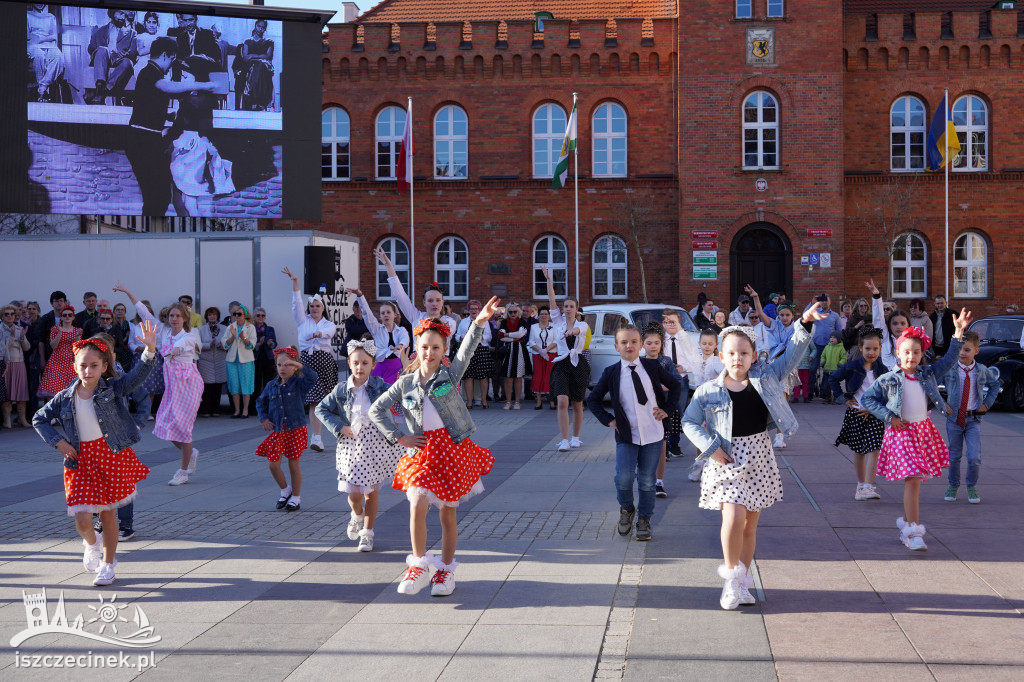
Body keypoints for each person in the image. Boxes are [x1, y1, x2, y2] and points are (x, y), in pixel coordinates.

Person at [683, 304, 828, 610]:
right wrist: (710, 448)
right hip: (726, 458)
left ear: (754, 356)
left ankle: (743, 580)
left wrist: (804, 323)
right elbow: (689, 422)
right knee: (733, 516)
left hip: (759, 455)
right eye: (731, 353)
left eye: (744, 353)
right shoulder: (708, 390)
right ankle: (731, 580)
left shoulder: (766, 377)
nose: (738, 359)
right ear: (722, 356)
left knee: (749, 525)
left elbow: (792, 355)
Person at [369, 300, 501, 597]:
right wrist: (399, 437)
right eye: (425, 347)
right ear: (417, 348)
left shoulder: (449, 375)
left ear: (443, 352)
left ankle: (445, 569)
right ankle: (418, 565)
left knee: (447, 514)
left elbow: (467, 350)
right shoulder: (405, 383)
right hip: (422, 452)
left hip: (452, 450)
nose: (429, 353)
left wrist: (479, 322)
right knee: (416, 502)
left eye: (436, 348)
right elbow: (377, 410)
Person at [32, 323, 157, 585]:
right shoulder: (65, 396)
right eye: (83, 366)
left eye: (94, 366)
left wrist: (149, 350)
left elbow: (135, 378)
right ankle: (92, 543)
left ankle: (108, 564)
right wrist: (60, 444)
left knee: (108, 513)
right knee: (82, 517)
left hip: (108, 456)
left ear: (103, 366)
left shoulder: (111, 389)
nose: (88, 371)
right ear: (75, 367)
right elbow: (39, 419)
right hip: (78, 460)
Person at [861, 311, 970, 551]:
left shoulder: (927, 373)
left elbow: (950, 359)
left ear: (922, 355)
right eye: (907, 352)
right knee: (912, 479)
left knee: (915, 481)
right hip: (901, 433)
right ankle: (912, 530)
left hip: (922, 432)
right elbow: (868, 400)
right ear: (898, 354)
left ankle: (908, 528)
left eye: (917, 352)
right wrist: (889, 417)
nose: (912, 356)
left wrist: (959, 334)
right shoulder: (889, 379)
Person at [588, 323, 682, 541]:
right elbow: (593, 399)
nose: (628, 345)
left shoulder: (652, 367)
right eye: (623, 342)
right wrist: (609, 420)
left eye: (633, 341)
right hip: (626, 435)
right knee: (623, 477)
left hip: (653, 432)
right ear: (616, 346)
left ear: (640, 345)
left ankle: (644, 520)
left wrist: (667, 410)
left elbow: (676, 385)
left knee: (647, 480)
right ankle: (627, 509)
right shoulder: (611, 373)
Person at [317, 337, 405, 551]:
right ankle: (357, 515)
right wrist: (339, 426)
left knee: (370, 492)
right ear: (349, 363)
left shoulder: (380, 386)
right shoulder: (340, 390)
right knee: (354, 494)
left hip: (375, 445)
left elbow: (398, 402)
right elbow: (321, 409)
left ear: (373, 365)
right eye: (355, 363)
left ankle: (367, 532)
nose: (360, 367)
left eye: (365, 363)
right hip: (351, 445)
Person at [115, 282, 202, 485]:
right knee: (166, 426)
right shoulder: (162, 331)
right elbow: (144, 313)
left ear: (185, 318)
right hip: (172, 386)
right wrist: (128, 291)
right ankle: (191, 453)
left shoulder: (189, 336)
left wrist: (170, 350)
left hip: (188, 385)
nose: (174, 319)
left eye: (178, 316)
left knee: (183, 428)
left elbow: (181, 346)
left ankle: (183, 471)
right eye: (171, 316)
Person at [126, 36, 216, 216]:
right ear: (166, 55)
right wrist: (204, 85)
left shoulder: (150, 73)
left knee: (158, 197)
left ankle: (149, 230)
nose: (171, 66)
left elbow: (148, 102)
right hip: (142, 141)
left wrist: (166, 115)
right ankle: (149, 233)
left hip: (146, 140)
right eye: (172, 60)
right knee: (157, 197)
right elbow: (166, 87)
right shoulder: (151, 72)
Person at [283, 266, 338, 452]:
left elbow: (331, 331)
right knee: (315, 400)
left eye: (318, 306)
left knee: (327, 401)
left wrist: (319, 333)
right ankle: (316, 438)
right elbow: (296, 302)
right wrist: (295, 281)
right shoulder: (302, 320)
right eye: (312, 306)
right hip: (308, 362)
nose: (314, 309)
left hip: (325, 362)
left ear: (323, 308)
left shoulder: (328, 323)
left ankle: (339, 432)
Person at [255, 348, 318, 512]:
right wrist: (264, 418)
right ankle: (285, 490)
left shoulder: (299, 384)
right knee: (273, 464)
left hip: (295, 429)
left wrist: (299, 364)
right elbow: (260, 402)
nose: (283, 368)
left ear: (295, 367)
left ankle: (295, 498)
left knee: (293, 465)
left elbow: (313, 377)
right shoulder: (271, 385)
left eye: (287, 364)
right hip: (278, 431)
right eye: (279, 364)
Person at [942, 330, 1001, 505]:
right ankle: (953, 485)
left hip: (973, 420)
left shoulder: (982, 371)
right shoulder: (950, 369)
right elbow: (930, 382)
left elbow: (995, 385)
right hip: (954, 420)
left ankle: (971, 485)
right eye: (960, 349)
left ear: (976, 350)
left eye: (967, 350)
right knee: (954, 455)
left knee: (974, 456)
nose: (962, 353)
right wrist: (940, 403)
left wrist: (986, 404)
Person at [830, 327, 886, 501]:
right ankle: (861, 485)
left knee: (875, 449)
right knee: (859, 452)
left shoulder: (883, 370)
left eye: (875, 349)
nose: (871, 352)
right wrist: (842, 398)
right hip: (856, 414)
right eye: (868, 348)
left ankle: (868, 486)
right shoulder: (852, 366)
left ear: (880, 348)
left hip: (874, 415)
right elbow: (833, 378)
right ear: (860, 348)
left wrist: (878, 408)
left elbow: (889, 393)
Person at [542, 266, 590, 451]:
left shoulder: (582, 324)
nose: (568, 309)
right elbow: (551, 299)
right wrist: (549, 280)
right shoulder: (558, 321)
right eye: (566, 306)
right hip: (562, 363)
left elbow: (579, 331)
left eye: (571, 306)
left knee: (577, 403)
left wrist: (572, 331)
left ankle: (576, 437)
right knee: (562, 400)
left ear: (576, 309)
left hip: (578, 363)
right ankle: (564, 440)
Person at [641, 323, 688, 499]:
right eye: (649, 343)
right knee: (644, 447)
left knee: (661, 447)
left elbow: (676, 382)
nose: (653, 346)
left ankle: (659, 482)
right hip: (642, 412)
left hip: (661, 411)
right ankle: (646, 478)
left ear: (662, 344)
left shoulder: (666, 362)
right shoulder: (638, 362)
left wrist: (660, 387)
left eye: (657, 343)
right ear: (642, 344)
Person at [678, 328, 724, 481]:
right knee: (698, 433)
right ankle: (699, 463)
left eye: (710, 344)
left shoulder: (717, 361)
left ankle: (709, 466)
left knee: (712, 434)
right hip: (698, 401)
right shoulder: (696, 359)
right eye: (704, 343)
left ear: (716, 345)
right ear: (699, 343)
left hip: (713, 402)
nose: (707, 346)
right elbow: (687, 352)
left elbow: (724, 374)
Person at [350, 289, 408, 385]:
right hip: (381, 367)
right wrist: (360, 295)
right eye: (383, 313)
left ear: (395, 315)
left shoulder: (401, 330)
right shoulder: (376, 329)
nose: (386, 315)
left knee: (396, 396)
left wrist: (401, 345)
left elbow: (405, 339)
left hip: (397, 367)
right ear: (380, 317)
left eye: (388, 312)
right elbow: (366, 313)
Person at [660, 309, 696, 459]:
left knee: (678, 411)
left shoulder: (685, 339)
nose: (671, 325)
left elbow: (693, 358)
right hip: (665, 381)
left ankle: (675, 444)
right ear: (663, 324)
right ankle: (664, 444)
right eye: (668, 322)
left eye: (674, 322)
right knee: (665, 412)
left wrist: (683, 367)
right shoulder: (661, 341)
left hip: (681, 379)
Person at [86, 9, 137, 105]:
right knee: (102, 49)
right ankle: (100, 84)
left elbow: (133, 52)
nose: (123, 17)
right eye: (121, 13)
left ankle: (103, 90)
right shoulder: (100, 30)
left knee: (128, 62)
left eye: (125, 15)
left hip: (120, 60)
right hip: (102, 58)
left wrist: (127, 54)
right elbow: (91, 49)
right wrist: (94, 41)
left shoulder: (131, 33)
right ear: (112, 13)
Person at [127, 299, 162, 427]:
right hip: (138, 357)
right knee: (139, 385)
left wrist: (151, 347)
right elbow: (130, 343)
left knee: (151, 385)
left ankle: (148, 411)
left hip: (153, 356)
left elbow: (160, 343)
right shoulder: (134, 326)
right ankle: (140, 411)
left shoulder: (157, 326)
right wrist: (140, 348)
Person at [454, 300, 494, 409]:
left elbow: (489, 337)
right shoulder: (463, 322)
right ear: (468, 310)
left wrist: (481, 337)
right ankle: (469, 402)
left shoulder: (485, 321)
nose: (473, 311)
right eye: (471, 309)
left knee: (483, 377)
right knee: (468, 376)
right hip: (467, 349)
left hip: (481, 349)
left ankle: (484, 401)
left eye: (475, 309)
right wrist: (462, 338)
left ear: (479, 310)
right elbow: (456, 336)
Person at [866, 278, 911, 371]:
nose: (899, 326)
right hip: (888, 378)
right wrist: (876, 296)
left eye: (902, 323)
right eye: (895, 323)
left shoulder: (912, 341)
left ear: (908, 325)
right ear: (889, 325)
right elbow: (878, 318)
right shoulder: (886, 337)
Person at [38, 306, 81, 398]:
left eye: (70, 315)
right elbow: (53, 346)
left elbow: (77, 348)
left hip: (71, 363)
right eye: (64, 315)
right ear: (61, 317)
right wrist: (60, 332)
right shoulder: (55, 329)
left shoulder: (77, 330)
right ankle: (52, 412)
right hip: (56, 362)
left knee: (71, 392)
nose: (67, 317)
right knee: (53, 392)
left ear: (73, 317)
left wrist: (77, 337)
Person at [223, 304, 257, 418]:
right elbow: (225, 344)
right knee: (234, 386)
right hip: (232, 361)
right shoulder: (230, 327)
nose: (237, 316)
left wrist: (244, 338)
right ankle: (237, 410)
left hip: (246, 360)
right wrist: (232, 337)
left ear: (245, 315)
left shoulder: (251, 327)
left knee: (246, 385)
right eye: (235, 314)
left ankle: (245, 410)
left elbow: (252, 345)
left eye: (239, 314)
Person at [806, 294, 843, 399]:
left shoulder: (835, 315)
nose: (824, 303)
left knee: (827, 370)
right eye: (821, 301)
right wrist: (812, 303)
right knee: (812, 369)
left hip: (830, 347)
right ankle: (810, 392)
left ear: (829, 302)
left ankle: (824, 392)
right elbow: (805, 315)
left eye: (826, 300)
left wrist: (839, 345)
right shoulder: (815, 312)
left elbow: (838, 330)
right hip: (816, 345)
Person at [27, 4, 65, 103]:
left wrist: (40, 38)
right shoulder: (27, 15)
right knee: (39, 56)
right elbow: (27, 36)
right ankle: (42, 91)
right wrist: (36, 39)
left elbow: (54, 36)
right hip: (33, 45)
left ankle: (42, 87)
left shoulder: (51, 17)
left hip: (49, 44)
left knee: (58, 56)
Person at [497, 302, 532, 410]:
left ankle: (517, 402)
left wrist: (508, 335)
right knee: (508, 378)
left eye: (515, 312)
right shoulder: (503, 322)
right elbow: (501, 337)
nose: (513, 314)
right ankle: (508, 402)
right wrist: (514, 337)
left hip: (520, 351)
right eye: (510, 312)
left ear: (518, 312)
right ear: (507, 312)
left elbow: (521, 334)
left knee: (518, 378)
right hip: (507, 351)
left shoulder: (521, 321)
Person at [2, 306, 31, 428]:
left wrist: (23, 338)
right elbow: (2, 348)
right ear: (2, 316)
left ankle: (22, 419)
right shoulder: (0, 329)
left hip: (20, 363)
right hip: (6, 364)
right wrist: (12, 338)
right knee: (7, 394)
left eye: (12, 314)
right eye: (6, 314)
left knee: (21, 394)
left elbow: (27, 348)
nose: (10, 316)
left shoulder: (19, 328)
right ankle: (7, 420)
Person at [198, 307, 227, 418]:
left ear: (217, 316)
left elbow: (229, 343)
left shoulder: (225, 328)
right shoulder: (201, 329)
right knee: (207, 387)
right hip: (206, 361)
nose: (212, 316)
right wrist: (209, 344)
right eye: (210, 314)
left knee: (218, 387)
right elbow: (198, 345)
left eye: (214, 314)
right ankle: (206, 410)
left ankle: (216, 410)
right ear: (207, 317)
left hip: (220, 360)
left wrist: (222, 345)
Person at [240, 19, 275, 111]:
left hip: (264, 66)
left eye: (263, 28)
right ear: (255, 26)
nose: (261, 29)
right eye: (259, 26)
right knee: (256, 67)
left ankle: (255, 97)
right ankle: (253, 97)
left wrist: (252, 56)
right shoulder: (248, 41)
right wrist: (259, 57)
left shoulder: (268, 42)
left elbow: (268, 55)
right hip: (249, 66)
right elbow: (245, 57)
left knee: (260, 67)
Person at [527, 306, 557, 410]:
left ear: (549, 316)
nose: (543, 316)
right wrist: (540, 350)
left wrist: (546, 350)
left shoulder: (554, 326)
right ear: (538, 316)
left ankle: (552, 401)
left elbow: (556, 341)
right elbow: (531, 342)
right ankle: (539, 401)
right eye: (541, 314)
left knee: (550, 376)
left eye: (546, 314)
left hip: (551, 354)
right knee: (538, 376)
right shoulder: (534, 327)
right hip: (537, 354)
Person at [253, 308, 277, 399]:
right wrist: (258, 344)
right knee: (256, 382)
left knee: (269, 381)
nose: (260, 317)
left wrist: (271, 344)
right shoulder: (251, 329)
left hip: (268, 358)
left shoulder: (270, 329)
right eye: (258, 315)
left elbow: (275, 343)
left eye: (263, 315)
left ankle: (268, 404)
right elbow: (248, 345)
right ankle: (254, 406)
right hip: (255, 358)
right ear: (254, 317)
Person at [819, 332, 847, 404]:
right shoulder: (827, 347)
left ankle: (835, 397)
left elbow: (844, 357)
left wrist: (840, 364)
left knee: (835, 385)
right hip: (827, 369)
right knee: (826, 385)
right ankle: (828, 397)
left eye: (834, 337)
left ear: (838, 339)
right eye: (831, 337)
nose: (832, 339)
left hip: (836, 370)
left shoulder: (841, 348)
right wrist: (823, 362)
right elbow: (823, 356)